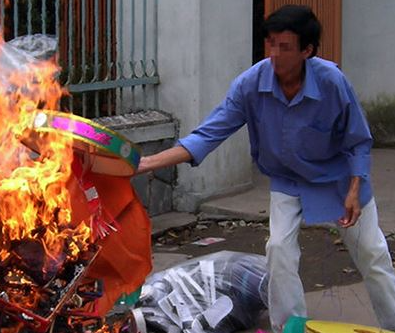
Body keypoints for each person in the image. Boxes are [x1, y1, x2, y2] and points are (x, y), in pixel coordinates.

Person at [137, 5, 395, 332]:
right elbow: (208, 135)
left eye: (284, 47)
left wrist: (356, 190)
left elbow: (357, 140)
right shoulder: (251, 83)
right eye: (270, 43)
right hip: (288, 180)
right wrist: (145, 163)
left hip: (340, 179)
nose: (274, 54)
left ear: (307, 51)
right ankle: (291, 327)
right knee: (279, 252)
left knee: (373, 256)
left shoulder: (331, 81)